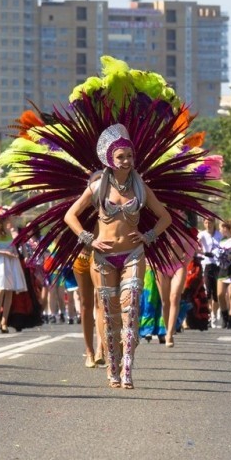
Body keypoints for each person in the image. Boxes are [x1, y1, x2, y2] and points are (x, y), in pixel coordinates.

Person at [64, 124, 172, 389]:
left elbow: (165, 217)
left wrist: (148, 236)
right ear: (110, 160)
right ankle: (111, 368)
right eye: (121, 157)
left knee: (130, 310)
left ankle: (127, 369)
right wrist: (89, 239)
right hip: (102, 259)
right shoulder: (98, 186)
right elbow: (70, 215)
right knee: (110, 315)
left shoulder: (140, 186)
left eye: (129, 156)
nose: (126, 161)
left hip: (133, 254)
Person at [0, 213, 27, 333]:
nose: (11, 219)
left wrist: (15, 252)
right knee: (1, 289)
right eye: (9, 217)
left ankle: (4, 321)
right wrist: (4, 253)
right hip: (0, 261)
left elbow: (14, 245)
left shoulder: (10, 230)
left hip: (11, 262)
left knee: (9, 291)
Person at [197, 216, 221, 327]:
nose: (208, 225)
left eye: (210, 222)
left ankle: (215, 315)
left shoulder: (219, 235)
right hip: (206, 264)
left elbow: (223, 248)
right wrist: (202, 252)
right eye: (206, 222)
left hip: (217, 264)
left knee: (216, 294)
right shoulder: (201, 235)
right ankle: (209, 315)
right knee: (208, 292)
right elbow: (196, 247)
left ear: (213, 223)